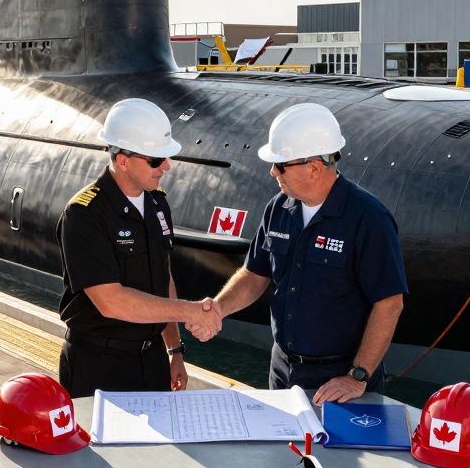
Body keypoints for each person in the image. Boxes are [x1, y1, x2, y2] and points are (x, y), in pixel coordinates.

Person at [200, 103, 407, 405]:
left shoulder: (368, 218)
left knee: (334, 454)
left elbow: (389, 303)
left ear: (314, 166)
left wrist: (357, 376)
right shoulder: (278, 208)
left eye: (280, 164)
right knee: (284, 452)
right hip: (283, 370)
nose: (272, 172)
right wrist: (218, 309)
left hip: (339, 379)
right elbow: (255, 274)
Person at [56, 98, 223, 398]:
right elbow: (112, 302)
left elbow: (164, 278)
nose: (167, 166)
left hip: (151, 361)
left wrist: (175, 350)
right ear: (122, 160)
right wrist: (191, 311)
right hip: (98, 366)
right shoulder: (84, 214)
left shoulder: (157, 203)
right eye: (156, 160)